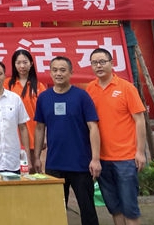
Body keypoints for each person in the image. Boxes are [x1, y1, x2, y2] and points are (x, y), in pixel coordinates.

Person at [34, 56, 101, 225]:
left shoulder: (82, 96)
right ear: (50, 73)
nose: (58, 74)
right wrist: (37, 157)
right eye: (55, 70)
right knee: (55, 210)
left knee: (87, 210)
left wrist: (95, 159)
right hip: (55, 164)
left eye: (63, 70)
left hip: (80, 164)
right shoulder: (44, 98)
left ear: (71, 72)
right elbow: (40, 128)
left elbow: (93, 127)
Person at [86, 48, 146, 225]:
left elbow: (139, 120)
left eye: (102, 62)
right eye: (94, 63)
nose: (99, 66)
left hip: (126, 158)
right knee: (114, 207)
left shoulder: (126, 88)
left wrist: (140, 152)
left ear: (112, 63)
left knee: (130, 208)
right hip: (102, 159)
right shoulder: (90, 89)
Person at [8, 49, 46, 154]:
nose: (22, 66)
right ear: (14, 64)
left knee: (33, 162)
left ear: (31, 63)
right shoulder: (7, 84)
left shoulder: (39, 86)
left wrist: (44, 136)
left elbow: (44, 112)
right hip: (13, 133)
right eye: (18, 63)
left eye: (25, 62)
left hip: (34, 132)